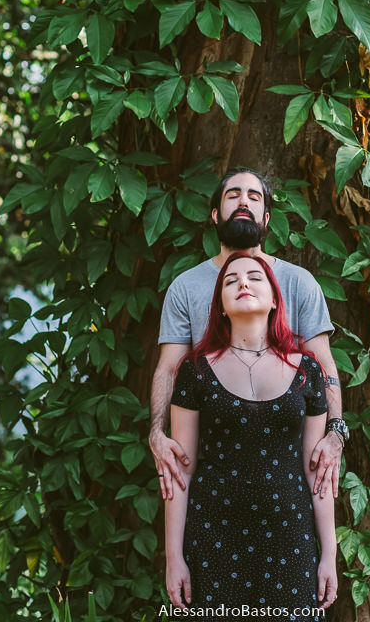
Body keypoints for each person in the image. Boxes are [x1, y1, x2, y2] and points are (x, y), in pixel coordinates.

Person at [149, 169, 348, 502]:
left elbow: (323, 365)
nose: (243, 201)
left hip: (290, 472)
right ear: (215, 215)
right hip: (211, 468)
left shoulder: (299, 283)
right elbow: (168, 369)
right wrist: (156, 432)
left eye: (254, 197)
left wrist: (335, 433)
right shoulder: (185, 288)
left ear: (266, 219)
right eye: (233, 195)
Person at [164, 252, 338, 614]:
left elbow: (317, 470)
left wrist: (329, 555)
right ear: (221, 307)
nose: (243, 282)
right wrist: (173, 557)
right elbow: (180, 469)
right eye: (231, 281)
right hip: (214, 536)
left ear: (275, 300)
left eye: (255, 277)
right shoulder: (194, 372)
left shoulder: (307, 371)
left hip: (291, 538)